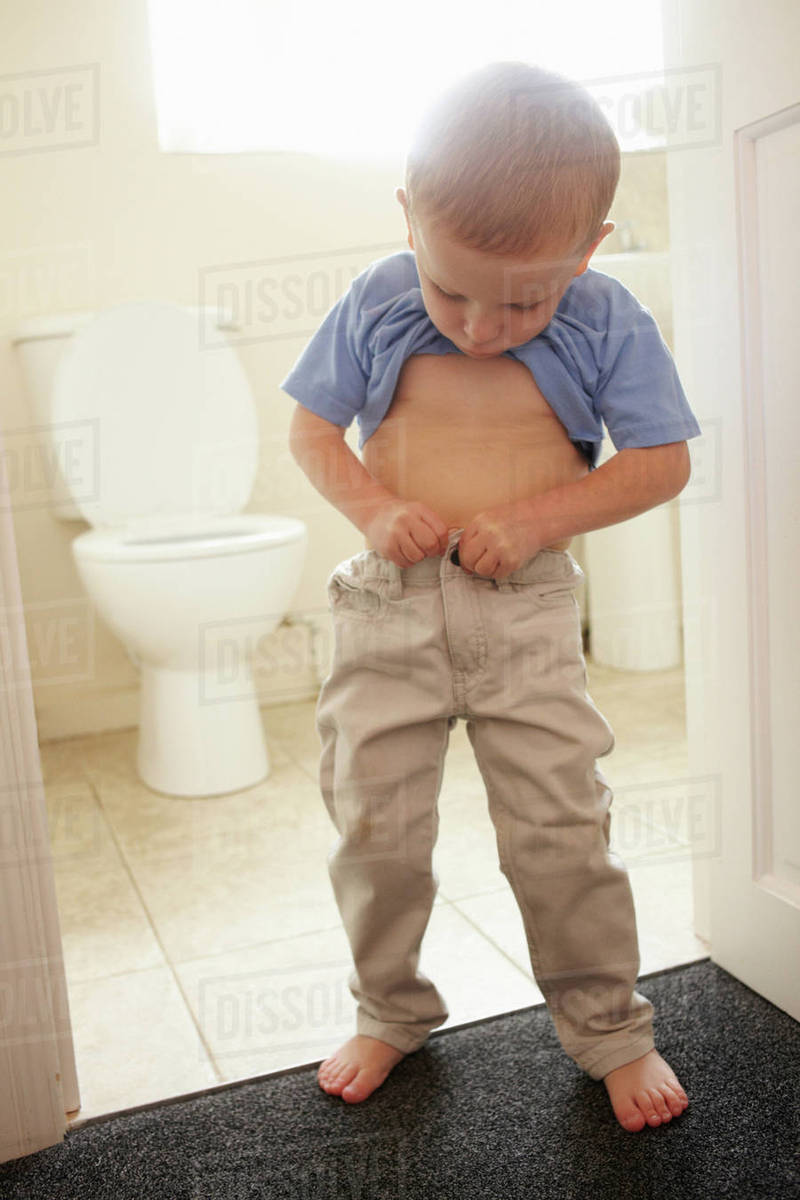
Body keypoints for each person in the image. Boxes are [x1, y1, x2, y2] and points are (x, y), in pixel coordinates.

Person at [282, 60, 699, 1133]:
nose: (478, 326)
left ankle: (609, 1028)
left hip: (521, 608)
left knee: (561, 831)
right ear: (409, 220)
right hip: (387, 605)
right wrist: (375, 509)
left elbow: (662, 461)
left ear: (589, 251)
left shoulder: (606, 318)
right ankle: (389, 1008)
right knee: (373, 828)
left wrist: (537, 519)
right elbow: (312, 431)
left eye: (523, 300)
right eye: (451, 290)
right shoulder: (379, 295)